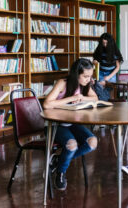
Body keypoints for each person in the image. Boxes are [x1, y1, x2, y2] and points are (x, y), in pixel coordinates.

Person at [43, 58, 99, 190]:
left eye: (90, 76)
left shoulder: (85, 86)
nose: (88, 79)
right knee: (72, 145)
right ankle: (61, 173)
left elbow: (95, 98)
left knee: (92, 142)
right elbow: (46, 104)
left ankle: (58, 160)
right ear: (76, 74)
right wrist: (71, 98)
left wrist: (82, 97)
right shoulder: (62, 83)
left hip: (72, 123)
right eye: (85, 76)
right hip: (55, 125)